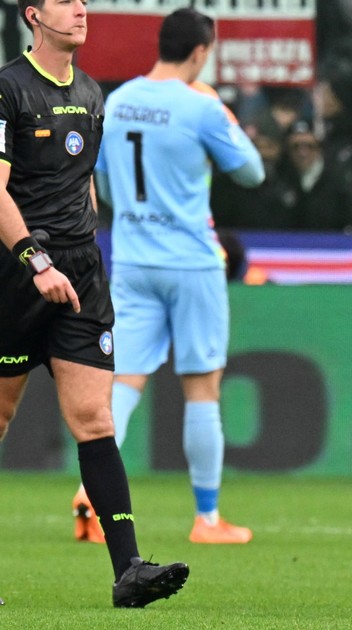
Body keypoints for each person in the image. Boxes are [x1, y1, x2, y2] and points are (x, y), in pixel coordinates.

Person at [0, 0, 188, 606]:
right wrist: (35, 260)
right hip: (18, 275)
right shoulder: (8, 89)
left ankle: (128, 571)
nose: (80, 9)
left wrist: (88, 247)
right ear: (33, 15)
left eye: (83, 0)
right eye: (65, 1)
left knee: (95, 419)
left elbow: (83, 182)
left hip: (80, 276)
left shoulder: (90, 91)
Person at [90, 7, 264, 545]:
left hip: (133, 259)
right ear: (200, 52)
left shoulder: (119, 101)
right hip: (191, 262)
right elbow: (252, 172)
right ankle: (207, 519)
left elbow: (103, 182)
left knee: (124, 381)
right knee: (202, 387)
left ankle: (89, 497)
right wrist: (223, 113)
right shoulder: (201, 106)